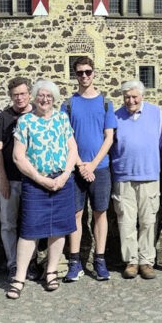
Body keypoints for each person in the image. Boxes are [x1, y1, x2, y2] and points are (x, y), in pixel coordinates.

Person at [7, 79, 79, 298]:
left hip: (62, 181)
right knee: (29, 231)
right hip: (35, 183)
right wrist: (39, 179)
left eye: (49, 96)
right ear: (34, 97)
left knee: (58, 229)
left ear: (54, 98)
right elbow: (18, 156)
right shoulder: (25, 121)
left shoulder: (61, 118)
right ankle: (19, 277)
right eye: (41, 95)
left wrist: (66, 174)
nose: (45, 99)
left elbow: (72, 148)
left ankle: (51, 271)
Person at [62, 56, 116, 282]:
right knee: (76, 214)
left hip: (100, 168)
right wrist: (80, 165)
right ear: (75, 75)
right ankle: (75, 262)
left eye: (88, 71)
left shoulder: (105, 103)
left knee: (100, 213)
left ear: (94, 73)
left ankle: (100, 260)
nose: (84, 76)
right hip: (75, 169)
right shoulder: (68, 104)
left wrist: (92, 164)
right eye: (80, 72)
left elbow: (109, 137)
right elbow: (66, 137)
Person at [109, 79, 162, 279]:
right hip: (123, 175)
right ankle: (131, 261)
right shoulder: (115, 117)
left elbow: (161, 143)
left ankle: (146, 261)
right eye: (127, 97)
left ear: (142, 96)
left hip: (148, 174)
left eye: (134, 97)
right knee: (126, 221)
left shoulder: (156, 114)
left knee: (149, 221)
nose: (131, 101)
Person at [0, 76, 34, 280]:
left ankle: (30, 263)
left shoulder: (37, 114)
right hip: (10, 179)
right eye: (15, 95)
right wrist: (3, 178)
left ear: (29, 94)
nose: (19, 98)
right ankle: (13, 264)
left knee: (31, 222)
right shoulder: (3, 118)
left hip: (32, 180)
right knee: (8, 223)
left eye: (23, 94)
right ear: (10, 96)